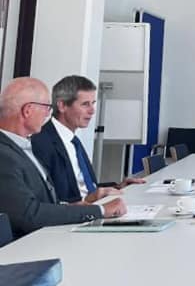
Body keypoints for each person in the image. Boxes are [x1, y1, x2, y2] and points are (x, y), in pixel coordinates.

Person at [0, 77, 125, 238]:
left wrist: (74, 206)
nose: (48, 114)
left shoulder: (22, 146)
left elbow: (42, 201)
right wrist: (100, 210)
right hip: (31, 244)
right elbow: (29, 215)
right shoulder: (4, 155)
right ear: (28, 111)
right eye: (46, 107)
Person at [31, 75, 144, 203]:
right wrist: (88, 201)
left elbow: (85, 187)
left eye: (93, 103)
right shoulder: (41, 143)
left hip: (92, 207)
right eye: (85, 104)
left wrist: (118, 187)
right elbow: (47, 202)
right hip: (76, 213)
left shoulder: (73, 140)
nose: (92, 111)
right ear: (62, 106)